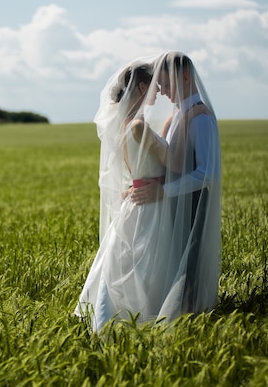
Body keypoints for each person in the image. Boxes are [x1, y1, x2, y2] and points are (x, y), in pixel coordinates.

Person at [74, 57, 184, 332]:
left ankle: (122, 318)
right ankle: (144, 317)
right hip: (150, 203)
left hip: (138, 198)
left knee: (131, 264)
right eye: (154, 86)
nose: (159, 91)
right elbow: (176, 164)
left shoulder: (126, 124)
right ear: (141, 87)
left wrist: (169, 124)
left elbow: (137, 166)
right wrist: (185, 120)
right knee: (147, 266)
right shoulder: (138, 126)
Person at [131, 51, 222, 315]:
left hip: (192, 204)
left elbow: (209, 173)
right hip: (171, 202)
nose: (163, 91)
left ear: (185, 77)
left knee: (188, 267)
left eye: (167, 84)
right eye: (160, 85)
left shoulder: (201, 118)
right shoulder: (176, 117)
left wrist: (164, 191)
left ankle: (188, 321)